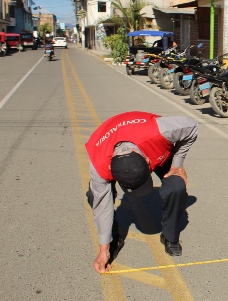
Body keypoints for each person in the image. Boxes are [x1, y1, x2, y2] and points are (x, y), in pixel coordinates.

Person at [85, 111, 198, 273]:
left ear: (148, 161)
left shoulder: (159, 132)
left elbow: (192, 126)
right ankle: (113, 238)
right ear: (111, 168)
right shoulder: (99, 164)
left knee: (176, 186)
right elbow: (102, 207)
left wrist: (177, 164)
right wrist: (103, 250)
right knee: (94, 197)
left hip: (153, 147)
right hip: (115, 149)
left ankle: (169, 235)